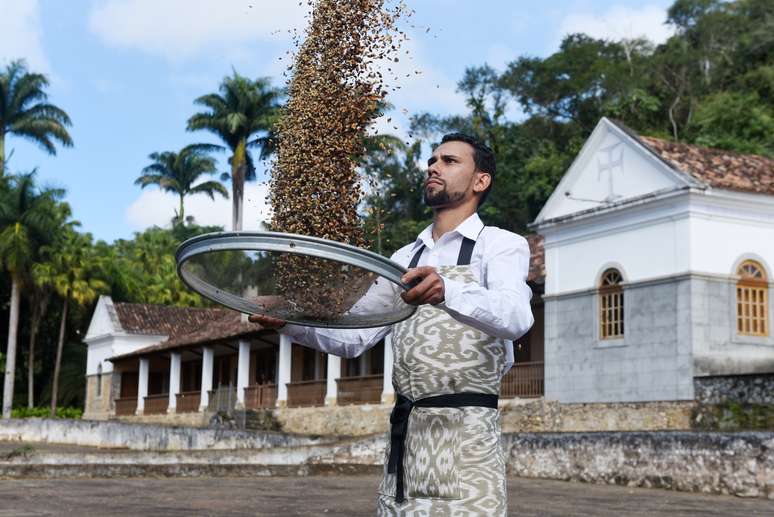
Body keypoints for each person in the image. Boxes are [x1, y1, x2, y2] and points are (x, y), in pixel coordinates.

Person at [250, 132, 534, 516]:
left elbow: (516, 317)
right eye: (432, 160)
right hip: (407, 436)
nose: (434, 166)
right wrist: (287, 321)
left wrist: (446, 289)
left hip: (468, 437)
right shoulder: (403, 257)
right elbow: (356, 335)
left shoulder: (499, 245)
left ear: (480, 181)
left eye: (449, 161)